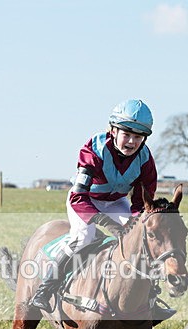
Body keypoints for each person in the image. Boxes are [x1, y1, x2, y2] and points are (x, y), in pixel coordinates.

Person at [29, 99, 159, 312]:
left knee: (140, 237)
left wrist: (135, 223)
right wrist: (102, 220)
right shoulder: (94, 150)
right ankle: (46, 288)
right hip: (85, 201)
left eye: (138, 137)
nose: (131, 142)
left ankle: (149, 295)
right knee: (84, 237)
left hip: (116, 202)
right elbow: (79, 196)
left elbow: (140, 203)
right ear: (113, 130)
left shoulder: (145, 160)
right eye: (127, 134)